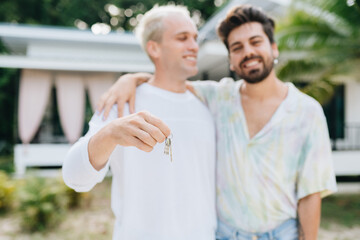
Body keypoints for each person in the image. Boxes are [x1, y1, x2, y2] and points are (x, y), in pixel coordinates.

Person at [97, 4, 337, 240]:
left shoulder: (307, 111)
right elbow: (168, 79)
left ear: (273, 48)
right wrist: (130, 79)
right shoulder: (218, 98)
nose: (248, 52)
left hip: (282, 233)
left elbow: (310, 193)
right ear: (231, 61)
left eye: (255, 42)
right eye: (237, 47)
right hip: (224, 234)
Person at [62, 5, 217, 240]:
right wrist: (109, 133)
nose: (194, 46)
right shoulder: (123, 103)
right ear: (154, 48)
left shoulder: (207, 105)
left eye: (195, 38)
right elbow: (74, 177)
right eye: (182, 38)